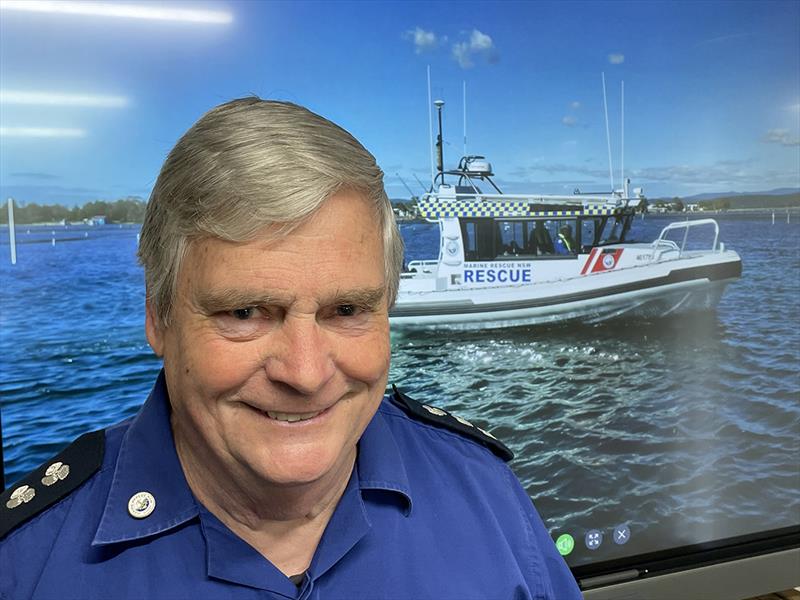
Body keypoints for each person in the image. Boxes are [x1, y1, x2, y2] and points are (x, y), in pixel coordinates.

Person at [0, 98, 582, 599]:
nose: (305, 374)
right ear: (158, 317)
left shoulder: (489, 498)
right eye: (246, 313)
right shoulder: (24, 568)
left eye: (347, 310)